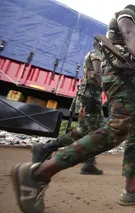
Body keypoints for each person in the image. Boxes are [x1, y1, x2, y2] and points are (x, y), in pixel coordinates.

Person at [10, 4, 135, 213]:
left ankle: (131, 191)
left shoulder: (113, 39)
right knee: (119, 127)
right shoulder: (127, 15)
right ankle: (38, 174)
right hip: (120, 79)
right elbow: (129, 32)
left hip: (126, 82)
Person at [30, 43, 105, 175]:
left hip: (91, 96)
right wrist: (107, 90)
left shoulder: (94, 54)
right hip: (91, 97)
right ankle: (45, 148)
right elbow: (97, 73)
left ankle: (89, 163)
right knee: (87, 130)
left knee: (96, 129)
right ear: (101, 45)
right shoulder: (96, 53)